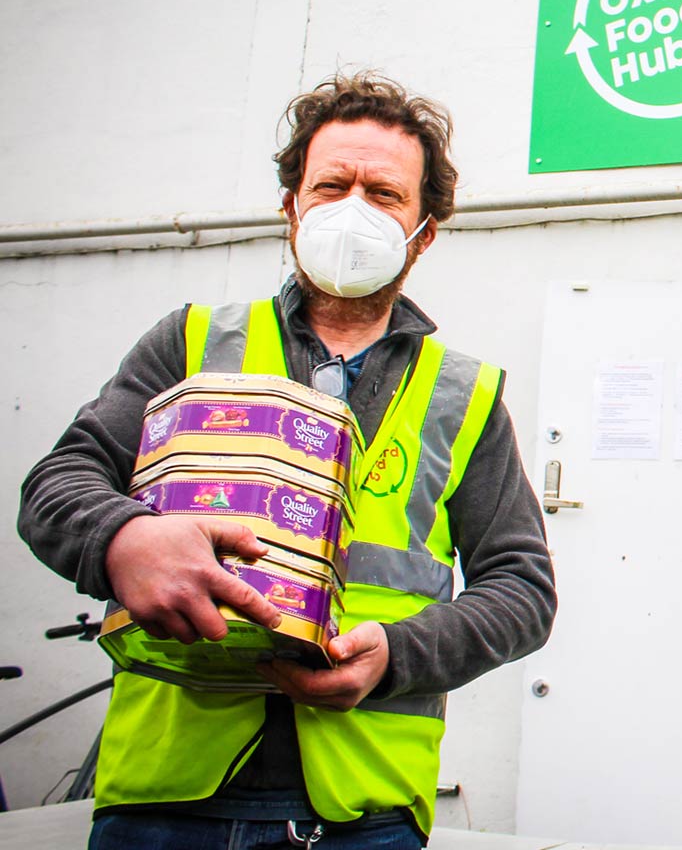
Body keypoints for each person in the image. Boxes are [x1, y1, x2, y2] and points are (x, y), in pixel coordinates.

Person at [19, 72, 558, 849]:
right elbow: (56, 487)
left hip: (360, 815)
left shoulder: (464, 394)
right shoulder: (190, 341)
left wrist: (397, 655)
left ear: (424, 230)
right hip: (164, 805)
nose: (353, 210)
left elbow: (522, 589)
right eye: (331, 185)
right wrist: (123, 538)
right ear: (291, 208)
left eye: (383, 194)